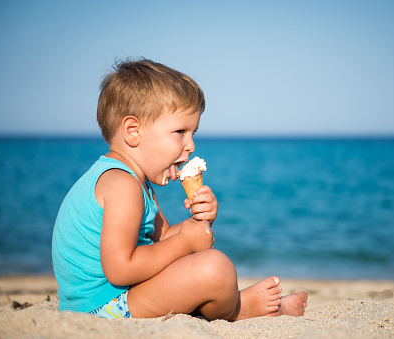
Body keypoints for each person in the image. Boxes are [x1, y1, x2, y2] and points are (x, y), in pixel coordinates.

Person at [52, 58, 308, 320]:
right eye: (180, 131)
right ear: (132, 131)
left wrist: (198, 222)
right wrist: (186, 242)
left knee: (206, 269)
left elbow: (163, 240)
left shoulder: (135, 183)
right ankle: (242, 309)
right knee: (215, 269)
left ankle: (235, 304)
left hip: (114, 299)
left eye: (193, 133)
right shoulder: (123, 186)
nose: (191, 146)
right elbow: (121, 269)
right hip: (102, 309)